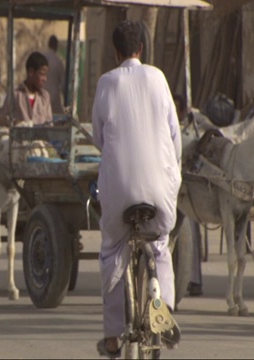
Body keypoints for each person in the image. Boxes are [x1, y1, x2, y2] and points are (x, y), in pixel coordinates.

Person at [92, 20, 182, 357]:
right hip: (160, 192)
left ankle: (114, 335)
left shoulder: (106, 83)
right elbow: (174, 139)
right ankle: (163, 308)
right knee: (159, 244)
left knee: (113, 250)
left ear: (116, 53)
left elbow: (100, 138)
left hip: (120, 193)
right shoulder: (158, 78)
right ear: (141, 49)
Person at [173, 94, 204, 297]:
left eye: (178, 110)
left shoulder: (190, 131)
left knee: (191, 228)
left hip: (188, 189)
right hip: (171, 186)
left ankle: (194, 280)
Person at [0, 51, 52, 135]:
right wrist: (14, 123)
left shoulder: (45, 97)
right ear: (31, 72)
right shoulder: (15, 94)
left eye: (45, 75)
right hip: (19, 144)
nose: (45, 79)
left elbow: (49, 124)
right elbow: (2, 118)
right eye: (42, 74)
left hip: (40, 144)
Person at [42, 35, 65, 114]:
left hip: (41, 97)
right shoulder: (58, 61)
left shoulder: (42, 57)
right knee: (57, 121)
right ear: (56, 46)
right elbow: (63, 84)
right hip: (54, 98)